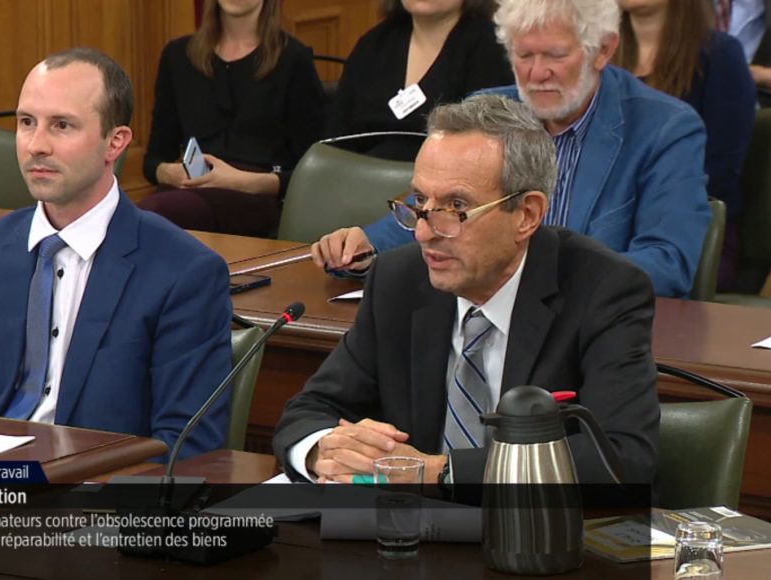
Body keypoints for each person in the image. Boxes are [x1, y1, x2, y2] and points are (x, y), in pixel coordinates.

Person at [274, 95, 660, 486]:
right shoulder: (400, 279)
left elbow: (620, 457)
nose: (424, 231)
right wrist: (326, 451)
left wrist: (438, 473)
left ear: (527, 214)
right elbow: (311, 408)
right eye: (420, 201)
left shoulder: (603, 290)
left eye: (456, 207)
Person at [0, 48, 233, 461]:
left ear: (115, 143)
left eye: (62, 126)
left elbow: (186, 446)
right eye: (26, 123)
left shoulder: (184, 272)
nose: (36, 145)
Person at [312, 0, 711, 299]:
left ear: (603, 50)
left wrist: (532, 271)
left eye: (555, 55)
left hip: (592, 330)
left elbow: (667, 264)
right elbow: (432, 207)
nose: (537, 74)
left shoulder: (665, 128)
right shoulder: (489, 111)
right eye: (523, 55)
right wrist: (367, 244)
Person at [140, 0, 326, 237]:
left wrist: (243, 182)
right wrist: (168, 172)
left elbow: (313, 173)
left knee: (153, 216)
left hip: (256, 198)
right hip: (190, 192)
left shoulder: (293, 58)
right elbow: (153, 160)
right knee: (140, 217)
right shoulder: (177, 56)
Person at [615, 0, 755, 288]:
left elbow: (722, 167)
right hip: (612, 225)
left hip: (692, 230)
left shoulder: (720, 54)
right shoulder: (600, 57)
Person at [324, 0, 513, 161]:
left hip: (441, 196)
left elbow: (488, 151)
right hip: (355, 187)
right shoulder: (372, 45)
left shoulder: (490, 49)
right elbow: (335, 143)